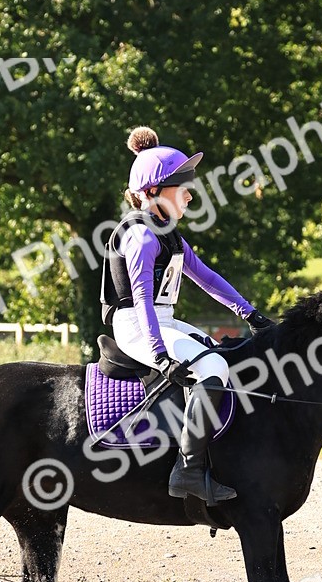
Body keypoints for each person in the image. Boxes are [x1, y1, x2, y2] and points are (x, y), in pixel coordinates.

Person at [102, 126, 273, 504]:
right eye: (181, 187)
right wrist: (159, 354)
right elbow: (142, 296)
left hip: (159, 318)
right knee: (212, 370)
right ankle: (187, 472)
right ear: (151, 193)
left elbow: (207, 278)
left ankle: (215, 454)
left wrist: (251, 314)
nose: (190, 194)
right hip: (135, 323)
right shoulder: (142, 236)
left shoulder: (169, 235)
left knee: (220, 355)